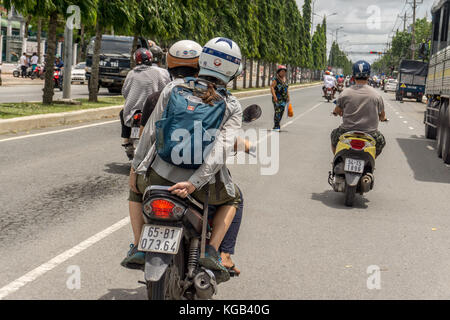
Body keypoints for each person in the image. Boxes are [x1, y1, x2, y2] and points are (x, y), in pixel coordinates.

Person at [126, 37, 244, 283]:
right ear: (233, 71)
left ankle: (138, 245)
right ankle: (212, 251)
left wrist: (135, 169)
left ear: (202, 60)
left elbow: (150, 132)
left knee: (135, 191)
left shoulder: (173, 88)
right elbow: (220, 151)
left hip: (158, 175)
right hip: (202, 189)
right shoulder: (231, 105)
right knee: (234, 198)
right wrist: (193, 183)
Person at [331, 60, 388, 157]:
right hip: (370, 135)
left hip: (347, 132)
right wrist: (383, 119)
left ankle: (337, 159)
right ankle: (371, 161)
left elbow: (337, 111)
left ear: (353, 76)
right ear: (369, 76)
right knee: (381, 142)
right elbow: (382, 115)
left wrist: (337, 113)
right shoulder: (377, 95)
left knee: (333, 136)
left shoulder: (345, 93)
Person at [120, 47, 170, 150]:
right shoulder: (160, 72)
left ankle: (126, 139)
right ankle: (160, 147)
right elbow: (165, 88)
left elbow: (124, 92)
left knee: (122, 113)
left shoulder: (131, 73)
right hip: (152, 109)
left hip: (133, 110)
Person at [270, 65, 290, 131]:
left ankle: (277, 125)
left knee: (282, 111)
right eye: (282, 71)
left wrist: (288, 96)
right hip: (277, 98)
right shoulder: (275, 79)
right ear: (278, 72)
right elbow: (272, 87)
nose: (283, 73)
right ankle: (276, 126)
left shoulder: (285, 79)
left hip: (284, 99)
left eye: (284, 72)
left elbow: (286, 89)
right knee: (277, 111)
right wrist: (274, 96)